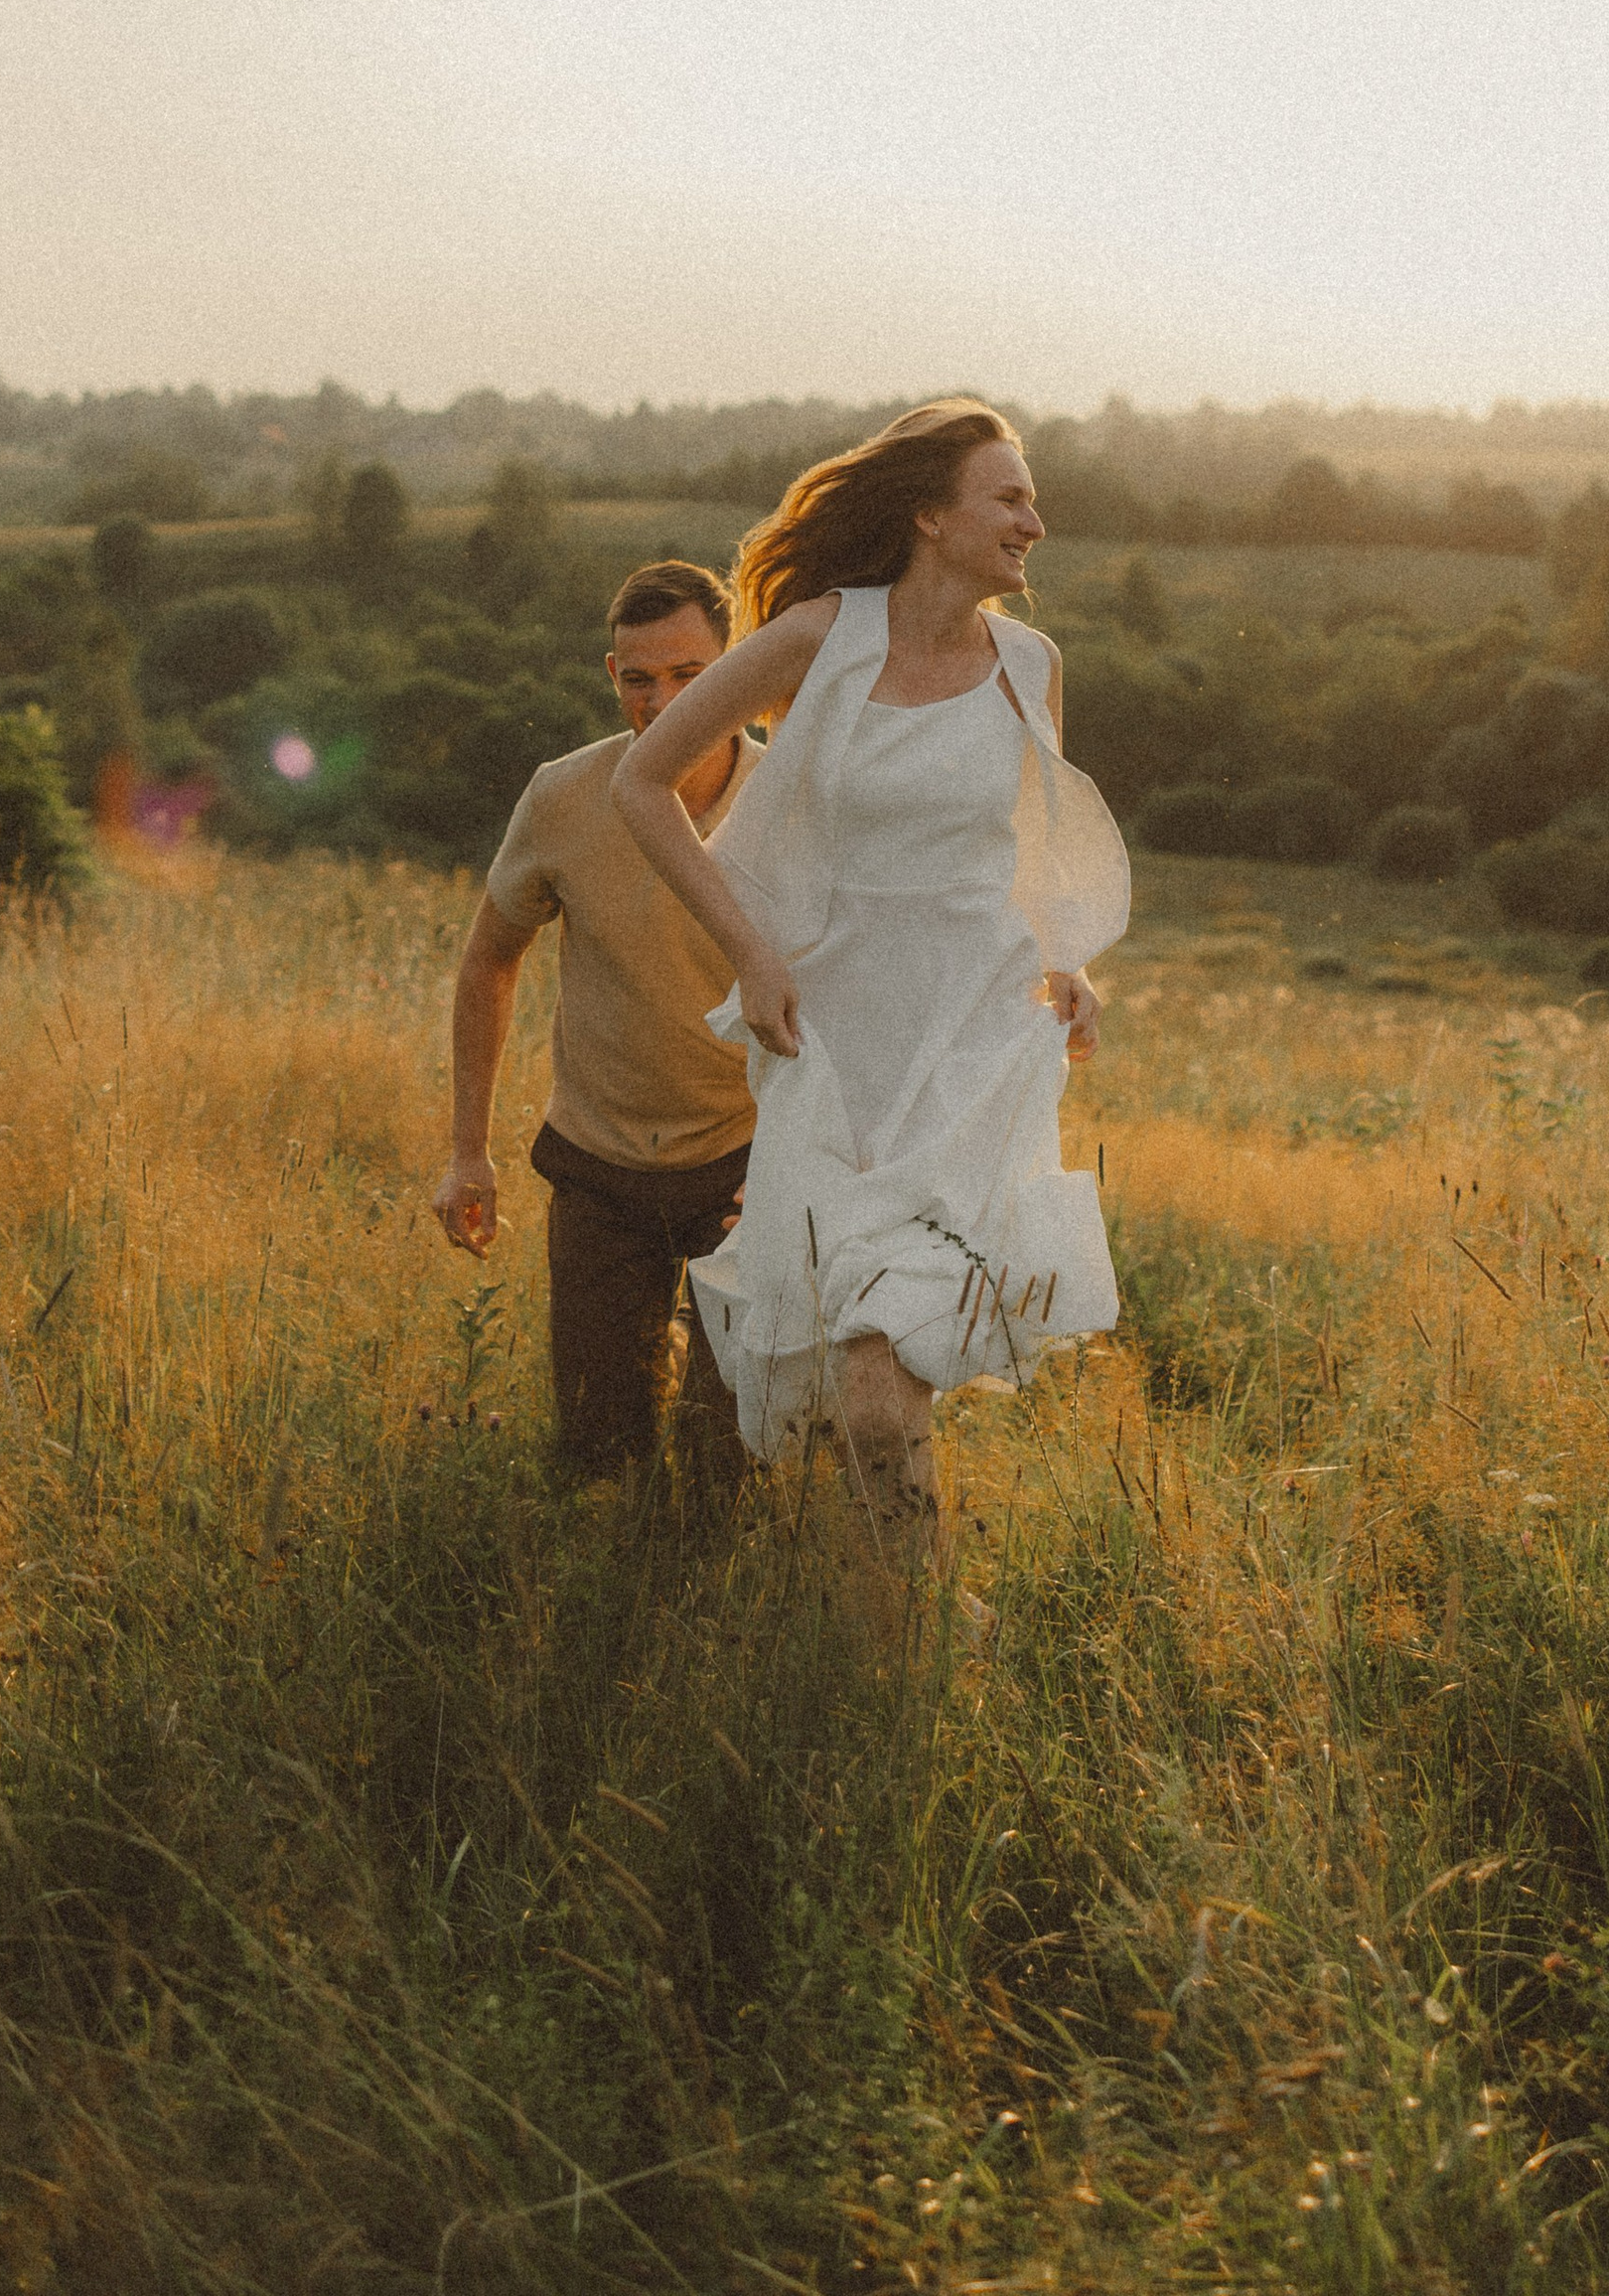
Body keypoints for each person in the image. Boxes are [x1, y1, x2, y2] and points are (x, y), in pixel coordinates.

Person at [613, 400, 1128, 1589]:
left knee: (884, 1391)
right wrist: (751, 954)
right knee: (863, 1393)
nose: (1033, 523)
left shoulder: (1028, 666)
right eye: (1008, 499)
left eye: (1030, 500)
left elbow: (1033, 843)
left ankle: (908, 1638)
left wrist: (1069, 961)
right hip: (837, 1058)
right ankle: (911, 1619)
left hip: (971, 1055)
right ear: (929, 516)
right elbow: (645, 784)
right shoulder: (817, 638)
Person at [432, 559, 759, 1488]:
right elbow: (490, 960)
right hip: (598, 1166)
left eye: (693, 675)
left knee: (722, 1465)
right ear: (609, 676)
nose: (664, 701)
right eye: (639, 677)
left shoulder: (789, 804)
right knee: (595, 1458)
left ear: (738, 666)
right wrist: (469, 1151)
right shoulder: (563, 795)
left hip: (745, 1167)